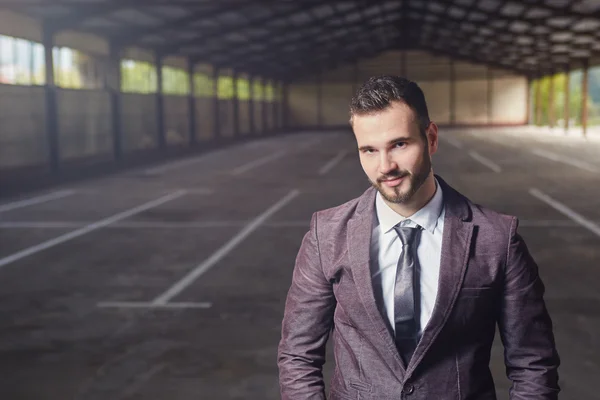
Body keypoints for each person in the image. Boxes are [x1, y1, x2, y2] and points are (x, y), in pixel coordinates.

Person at [277, 75, 560, 399]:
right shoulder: (325, 235)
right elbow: (298, 357)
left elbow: (533, 365)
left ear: (431, 138)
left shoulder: (497, 239)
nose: (386, 166)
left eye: (399, 144)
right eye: (369, 150)